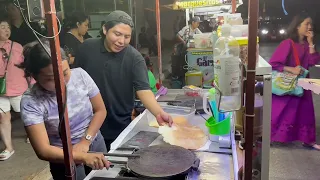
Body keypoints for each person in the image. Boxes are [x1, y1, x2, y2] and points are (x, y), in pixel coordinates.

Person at [73, 10, 173, 151]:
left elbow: (143, 90)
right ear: (105, 29)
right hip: (85, 126)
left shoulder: (135, 58)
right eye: (117, 34)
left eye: (127, 37)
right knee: (89, 169)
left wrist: (158, 112)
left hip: (118, 126)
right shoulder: (87, 48)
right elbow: (75, 80)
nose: (121, 41)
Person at [19, 40, 111, 179]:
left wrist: (86, 141)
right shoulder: (31, 101)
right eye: (51, 78)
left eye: (65, 73)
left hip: (94, 141)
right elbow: (43, 150)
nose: (62, 82)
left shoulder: (80, 75)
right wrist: (81, 157)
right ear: (34, 76)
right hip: (61, 156)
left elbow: (100, 110)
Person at [270, 13, 320, 149]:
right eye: (306, 24)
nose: (310, 27)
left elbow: (313, 61)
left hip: (303, 83)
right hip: (288, 83)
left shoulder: (305, 44)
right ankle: (272, 137)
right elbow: (273, 63)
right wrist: (291, 69)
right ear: (298, 26)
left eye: (311, 24)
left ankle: (308, 140)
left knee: (305, 112)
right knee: (284, 112)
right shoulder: (287, 43)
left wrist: (311, 43)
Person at [0, 16, 27, 161]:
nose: (6, 30)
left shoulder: (17, 46)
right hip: (0, 90)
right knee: (3, 118)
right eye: (3, 27)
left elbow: (24, 65)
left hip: (18, 86)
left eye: (8, 27)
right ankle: (8, 147)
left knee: (24, 114)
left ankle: (31, 134)